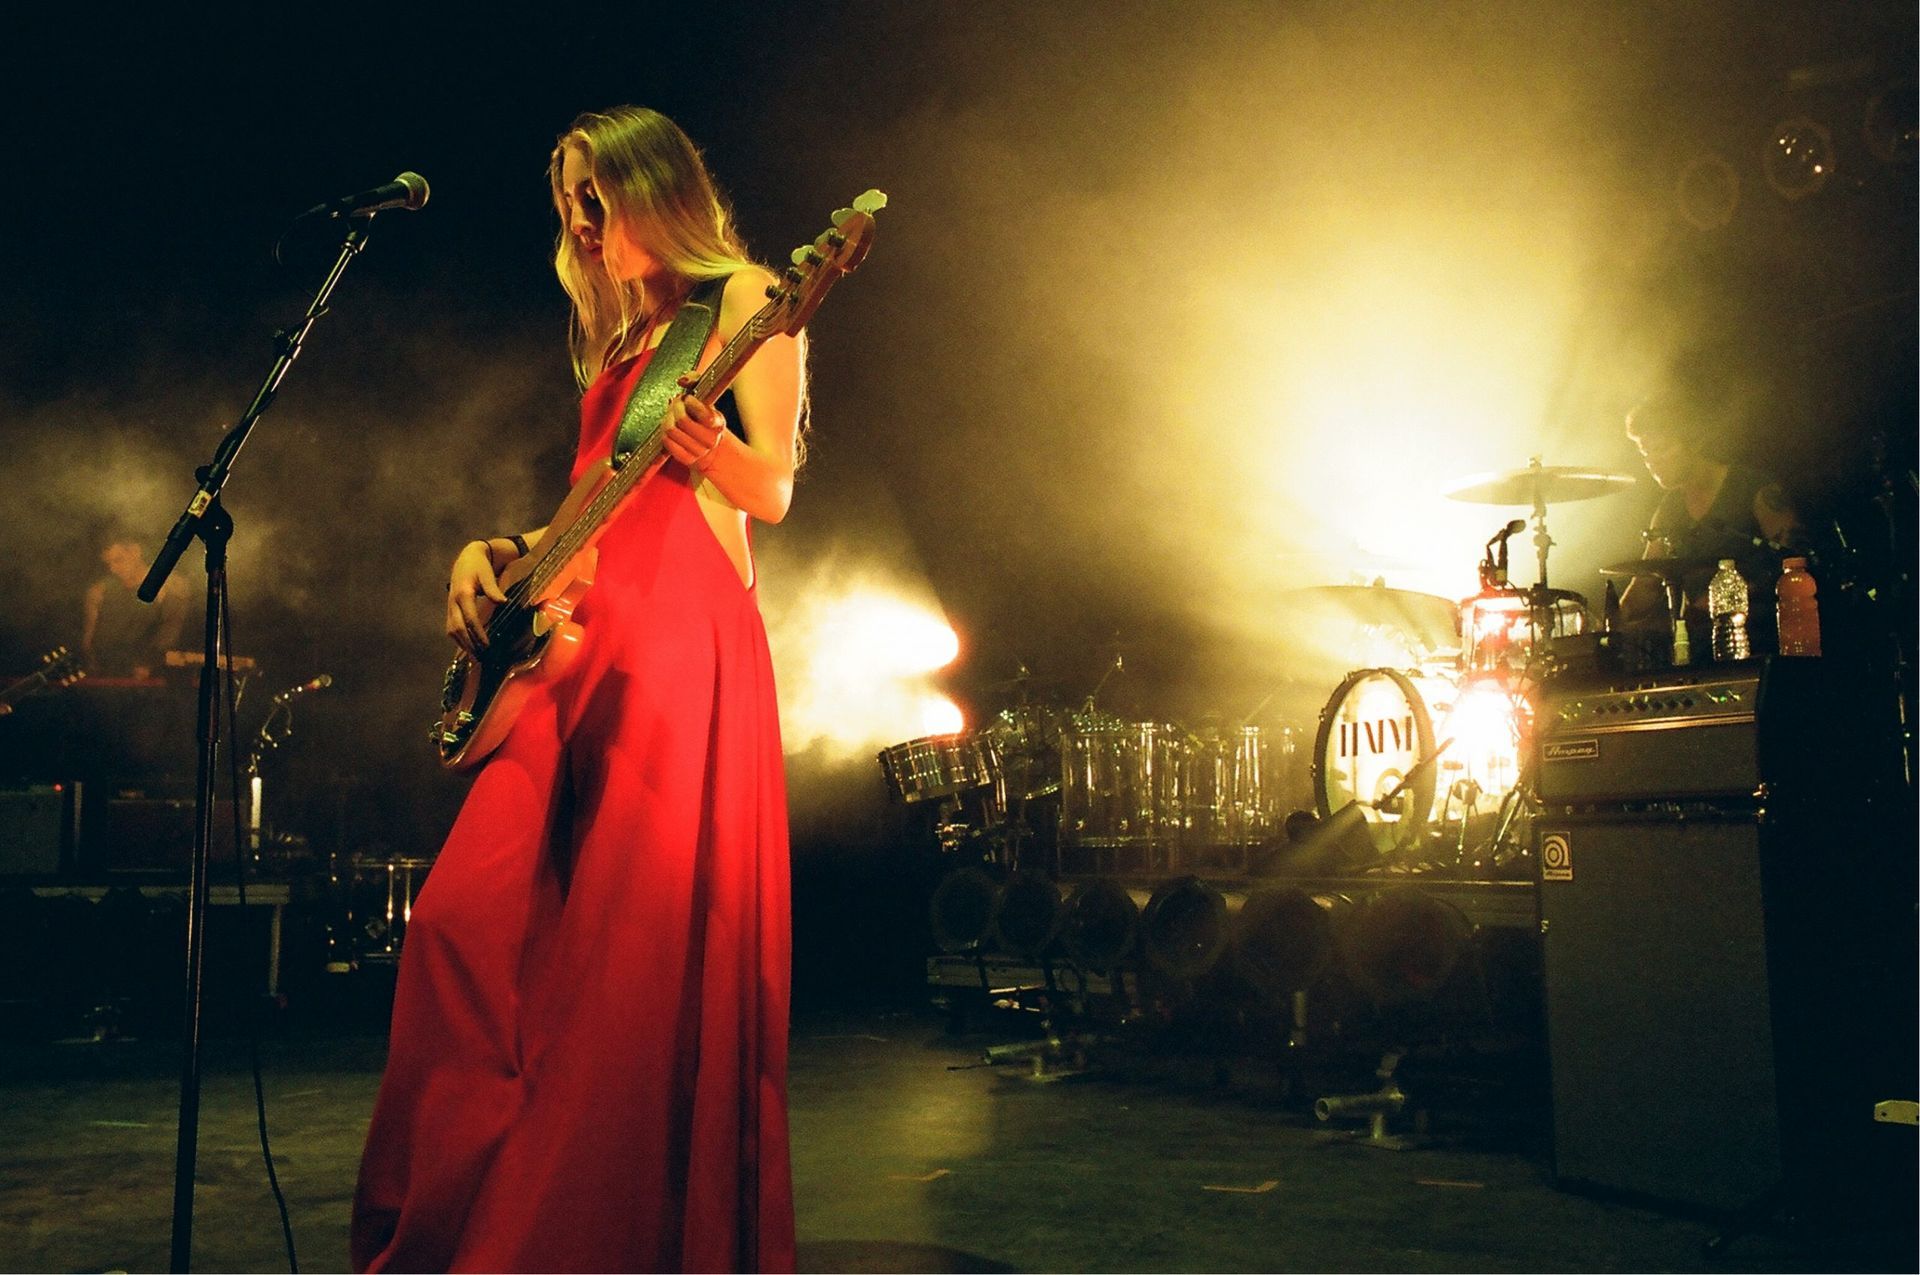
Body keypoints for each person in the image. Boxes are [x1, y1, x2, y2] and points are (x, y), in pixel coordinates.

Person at [350, 106, 803, 1273]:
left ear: (658, 187)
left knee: (622, 955)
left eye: (597, 194)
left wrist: (708, 449)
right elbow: (587, 503)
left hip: (679, 645)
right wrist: (493, 552)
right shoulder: (617, 344)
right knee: (464, 923)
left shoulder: (747, 297)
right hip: (576, 641)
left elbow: (773, 491)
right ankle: (491, 1218)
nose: (582, 221)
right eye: (569, 203)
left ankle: (583, 1235)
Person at [1619, 391, 1804, 652]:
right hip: (1702, 645)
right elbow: (1646, 582)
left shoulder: (1754, 489)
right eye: (1645, 452)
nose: (1652, 461)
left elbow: (1795, 562)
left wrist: (1723, 599)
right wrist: (1609, 622)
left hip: (1763, 640)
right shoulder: (1669, 509)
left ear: (1693, 443)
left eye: (1661, 448)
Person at [81, 535, 188, 677]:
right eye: (108, 564)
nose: (113, 569)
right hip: (107, 672)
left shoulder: (170, 585)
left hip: (156, 673)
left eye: (118, 560)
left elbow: (171, 631)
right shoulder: (99, 592)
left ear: (135, 552)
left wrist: (148, 664)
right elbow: (89, 640)